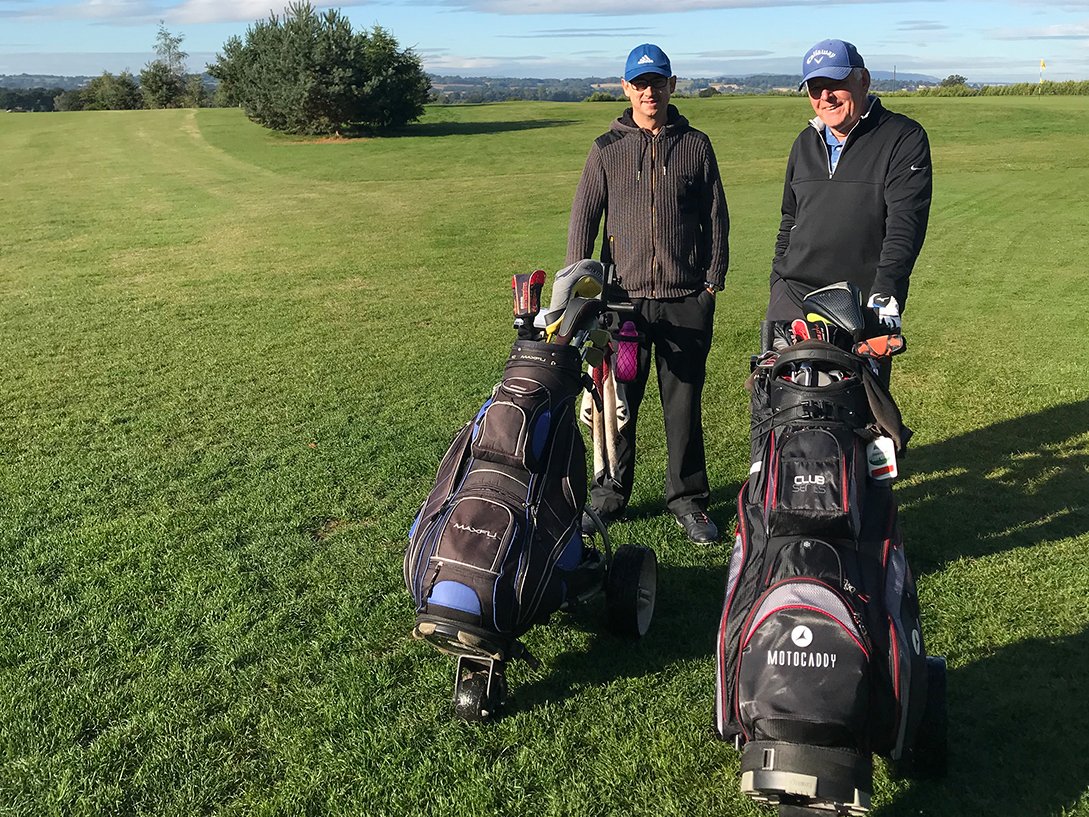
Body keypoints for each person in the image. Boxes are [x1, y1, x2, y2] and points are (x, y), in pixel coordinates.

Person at [566, 43, 729, 544]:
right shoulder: (606, 149)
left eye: (657, 82)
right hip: (624, 305)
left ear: (671, 85)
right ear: (625, 88)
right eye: (639, 83)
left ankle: (688, 500)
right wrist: (580, 289)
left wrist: (710, 281)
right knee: (617, 405)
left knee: (683, 407)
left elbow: (716, 217)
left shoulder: (696, 145)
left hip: (684, 300)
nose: (648, 91)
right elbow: (583, 222)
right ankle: (608, 495)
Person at [769, 38, 932, 346]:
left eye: (835, 83)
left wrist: (886, 293)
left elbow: (904, 227)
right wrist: (778, 278)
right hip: (792, 295)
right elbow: (790, 217)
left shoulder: (903, 138)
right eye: (816, 88)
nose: (826, 97)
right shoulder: (805, 141)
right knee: (780, 390)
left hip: (860, 300)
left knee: (854, 393)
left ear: (863, 80)